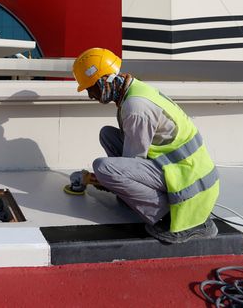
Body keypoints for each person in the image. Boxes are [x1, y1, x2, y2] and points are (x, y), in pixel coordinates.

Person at [64, 47, 219, 244]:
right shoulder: (133, 91)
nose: (90, 95)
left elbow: (132, 161)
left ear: (105, 81)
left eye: (90, 88)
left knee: (103, 167)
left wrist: (97, 180)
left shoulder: (135, 107)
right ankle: (138, 198)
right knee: (107, 134)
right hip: (178, 167)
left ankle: (164, 215)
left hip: (187, 180)